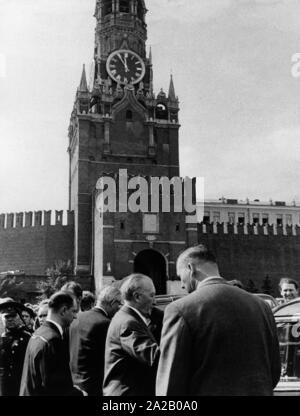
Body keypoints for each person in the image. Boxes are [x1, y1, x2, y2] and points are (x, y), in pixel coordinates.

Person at [156, 244, 281, 396]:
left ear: (190, 268)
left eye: (180, 276)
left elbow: (171, 381)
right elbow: (274, 371)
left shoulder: (181, 309)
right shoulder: (262, 306)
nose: (182, 285)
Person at [103, 274, 160, 396]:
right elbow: (154, 357)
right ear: (137, 297)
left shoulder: (126, 317)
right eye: (152, 295)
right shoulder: (128, 322)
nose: (155, 301)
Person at [19, 291, 83, 396]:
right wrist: (79, 394)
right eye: (74, 311)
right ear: (63, 310)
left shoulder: (38, 333)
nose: (75, 316)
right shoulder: (52, 340)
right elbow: (54, 388)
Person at [70, 286, 122, 396]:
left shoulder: (77, 318)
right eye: (119, 304)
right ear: (113, 303)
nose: (120, 308)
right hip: (94, 386)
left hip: (74, 384)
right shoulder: (105, 323)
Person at [0, 298, 31, 396]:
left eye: (13, 316)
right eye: (7, 316)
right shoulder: (1, 338)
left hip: (22, 384)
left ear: (19, 317)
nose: (10, 319)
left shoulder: (28, 338)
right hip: (4, 386)